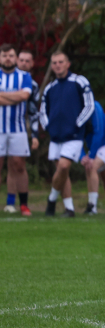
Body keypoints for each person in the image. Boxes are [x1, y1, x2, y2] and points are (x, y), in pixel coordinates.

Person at [40, 51, 94, 217]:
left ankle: (51, 200)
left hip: (74, 135)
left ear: (68, 63)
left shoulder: (79, 81)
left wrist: (77, 124)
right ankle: (69, 209)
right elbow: (43, 110)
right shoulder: (50, 88)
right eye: (54, 62)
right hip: (56, 136)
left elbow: (89, 105)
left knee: (64, 166)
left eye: (61, 62)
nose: (57, 65)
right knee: (62, 173)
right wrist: (48, 126)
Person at [0, 44, 33, 216]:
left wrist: (3, 96)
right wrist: (15, 97)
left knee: (19, 166)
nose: (8, 59)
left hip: (18, 129)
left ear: (15, 58)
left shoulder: (24, 76)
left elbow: (25, 96)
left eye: (11, 55)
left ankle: (24, 205)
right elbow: (19, 96)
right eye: (4, 55)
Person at [75, 101, 105, 214]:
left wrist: (91, 156)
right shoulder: (74, 110)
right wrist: (82, 157)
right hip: (97, 148)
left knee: (92, 167)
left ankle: (92, 206)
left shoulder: (94, 107)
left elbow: (99, 133)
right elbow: (76, 136)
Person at [17, 50, 41, 159]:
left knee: (18, 164)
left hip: (18, 128)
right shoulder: (3, 78)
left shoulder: (33, 86)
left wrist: (34, 135)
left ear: (32, 64)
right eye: (21, 60)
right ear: (16, 61)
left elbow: (33, 112)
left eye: (27, 61)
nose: (24, 63)